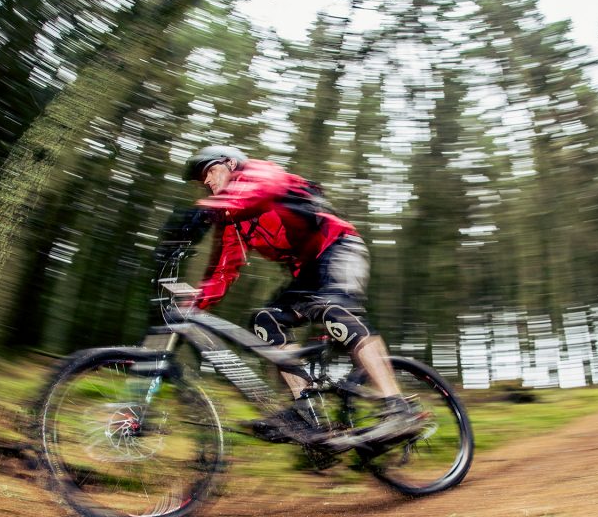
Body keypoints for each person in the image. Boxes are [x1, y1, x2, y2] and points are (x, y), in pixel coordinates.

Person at [170, 145, 424, 451]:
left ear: (230, 163)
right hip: (307, 272)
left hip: (340, 247)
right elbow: (223, 270)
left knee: (335, 312)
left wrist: (211, 208)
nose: (207, 181)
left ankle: (399, 408)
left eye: (209, 171)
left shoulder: (258, 174)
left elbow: (266, 189)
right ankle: (308, 410)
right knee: (266, 320)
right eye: (202, 180)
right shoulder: (231, 220)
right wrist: (192, 305)